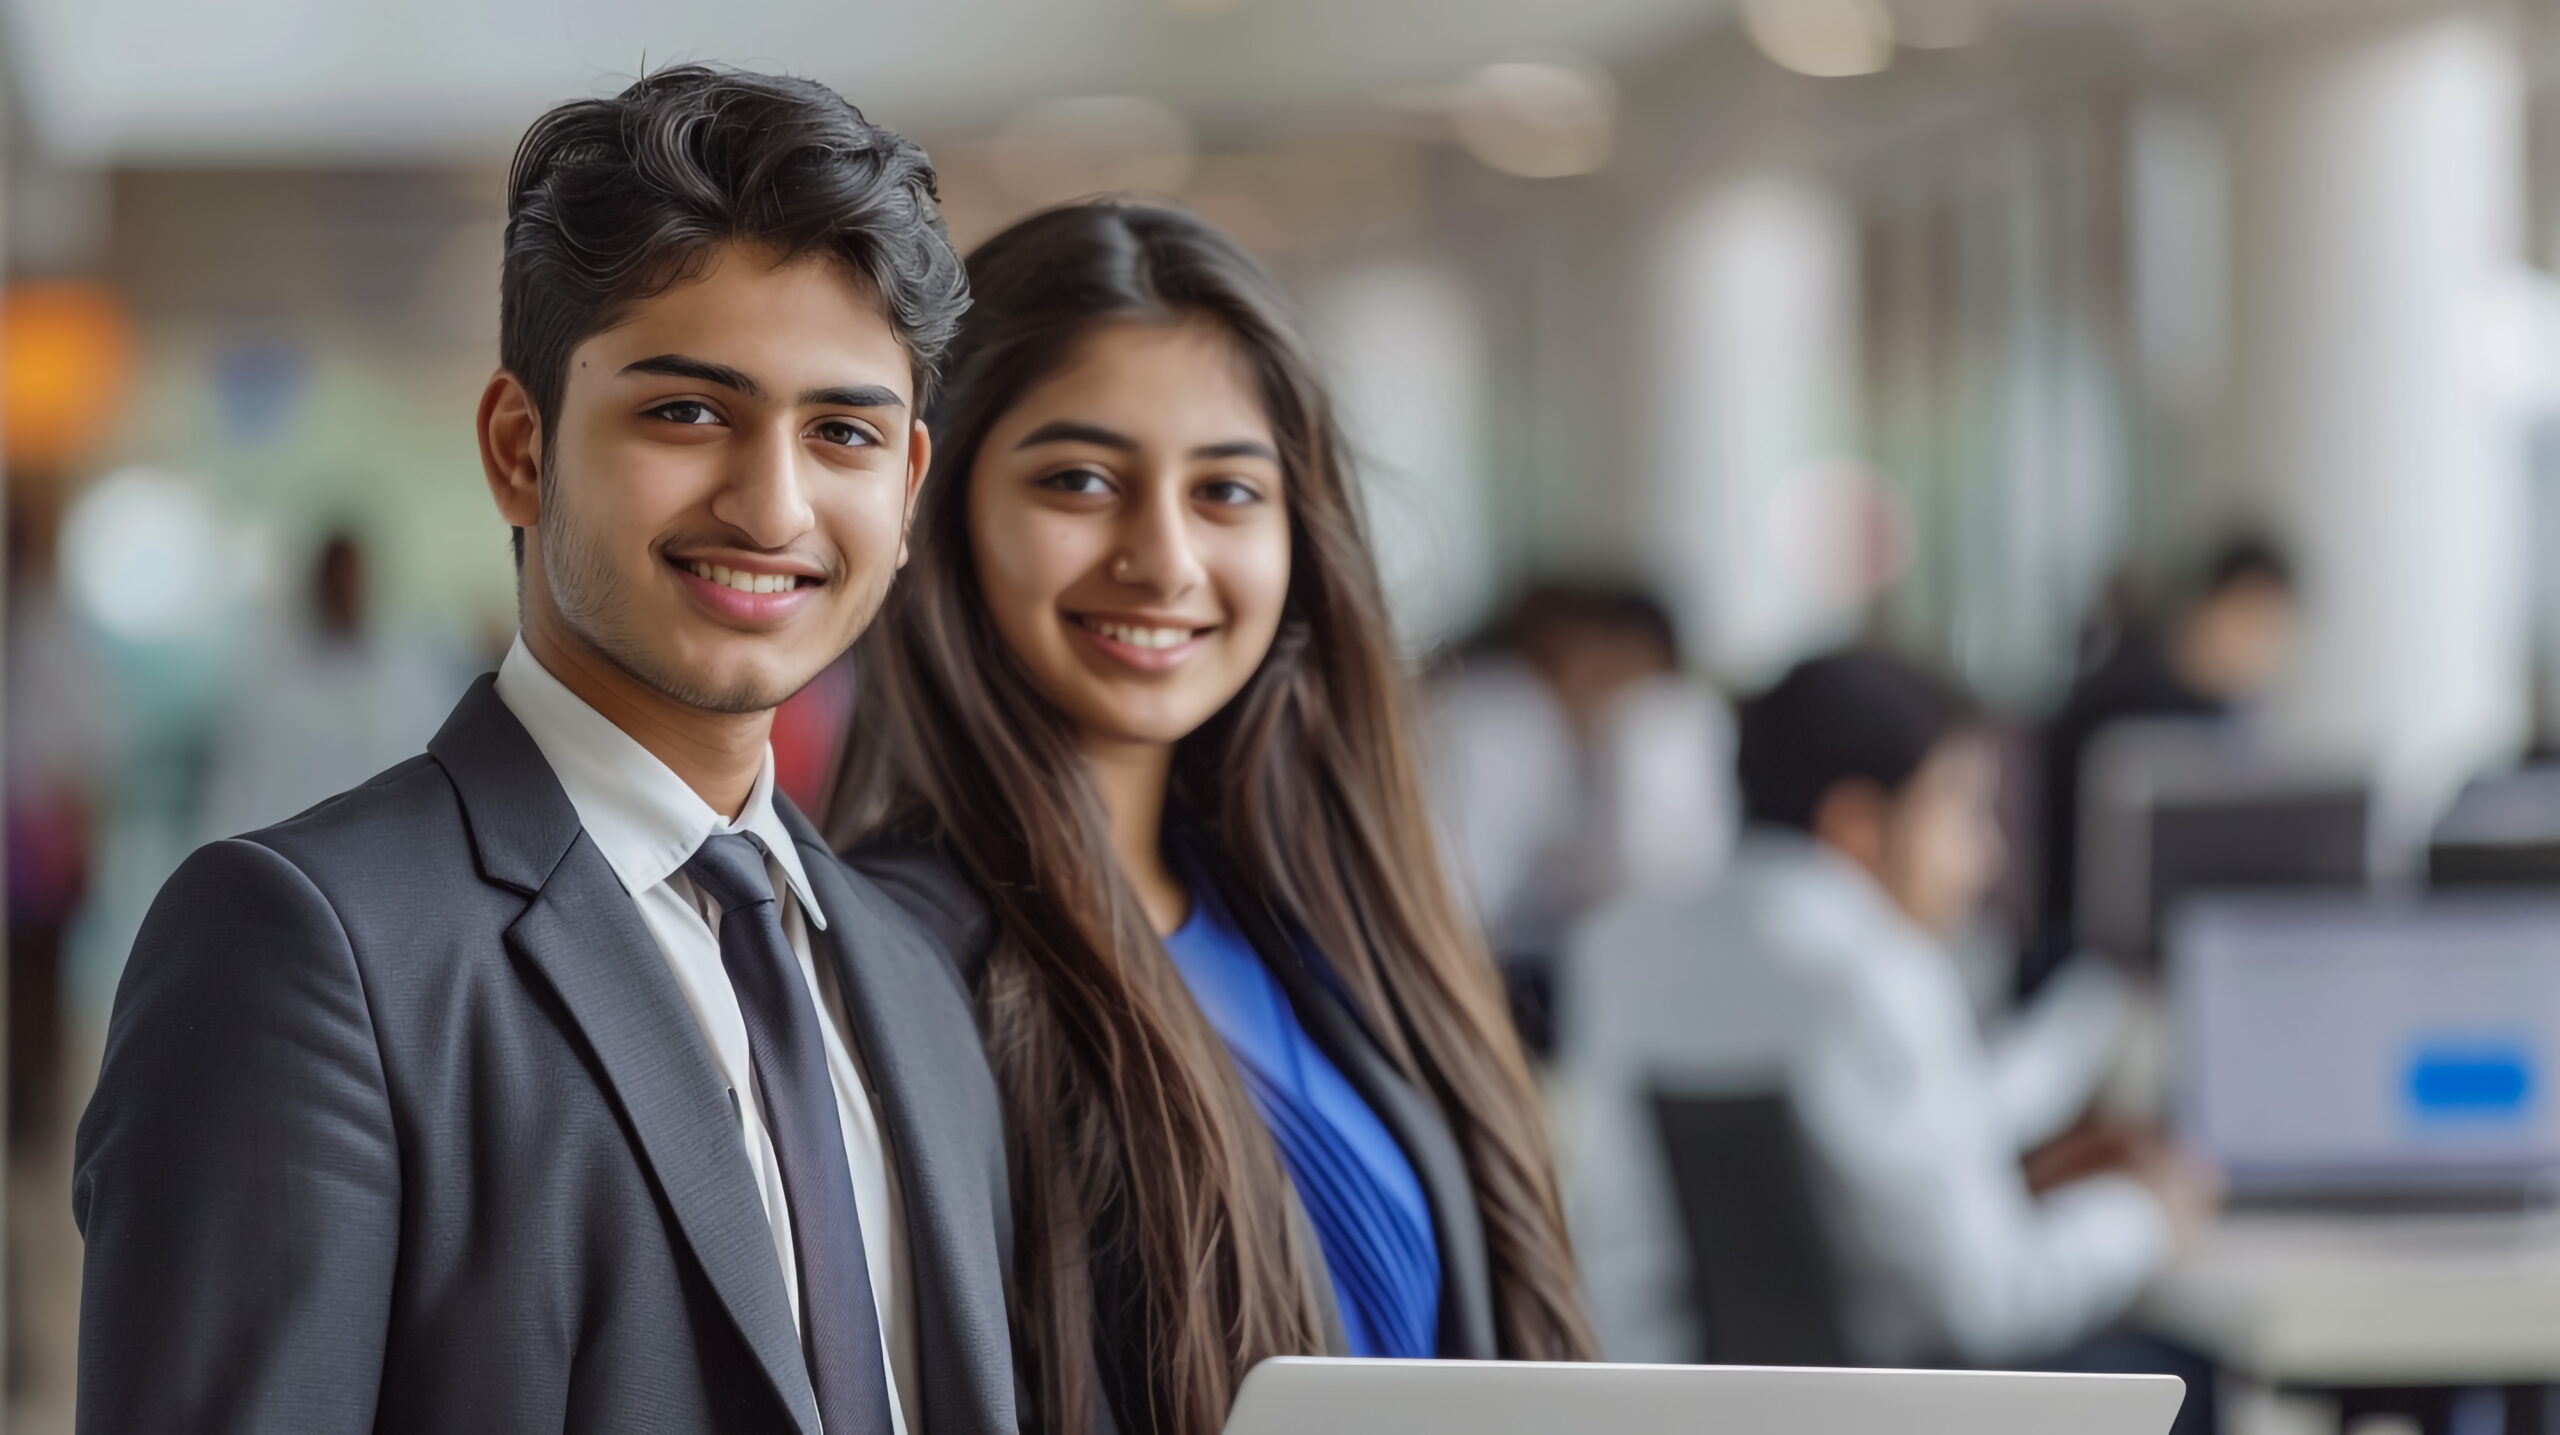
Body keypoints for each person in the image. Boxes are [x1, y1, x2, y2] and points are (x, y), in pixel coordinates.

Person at [73, 67, 1015, 1435]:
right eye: (688, 412)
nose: (772, 501)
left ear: (910, 485)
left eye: (843, 431)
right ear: (522, 448)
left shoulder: (911, 973)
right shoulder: (305, 947)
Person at [830, 201, 1593, 1435]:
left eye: (1228, 490)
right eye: (1079, 480)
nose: (1166, 557)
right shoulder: (887, 961)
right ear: (939, 502)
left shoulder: (1322, 916)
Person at [1562, 652, 2218, 1382]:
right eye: (1963, 811)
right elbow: (1988, 1302)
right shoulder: (1872, 968)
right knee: (2181, 1367)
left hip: (1666, 1402)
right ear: (1858, 825)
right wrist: (2146, 1215)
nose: (1986, 856)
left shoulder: (1621, 947)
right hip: (1871, 1406)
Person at [1422, 584, 1733, 1054]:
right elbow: (1451, 902)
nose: (1626, 708)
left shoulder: (1500, 712)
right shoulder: (1503, 724)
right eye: (1636, 680)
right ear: (1583, 648)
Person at [2031, 537, 2297, 988]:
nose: (2264, 648)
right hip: (2089, 960)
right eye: (2255, 621)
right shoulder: (2127, 708)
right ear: (2213, 606)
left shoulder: (2228, 717)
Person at [197, 528, 465, 841]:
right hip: (290, 851)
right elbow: (239, 788)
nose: (345, 591)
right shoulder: (273, 684)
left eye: (352, 580)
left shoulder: (407, 682)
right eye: (336, 580)